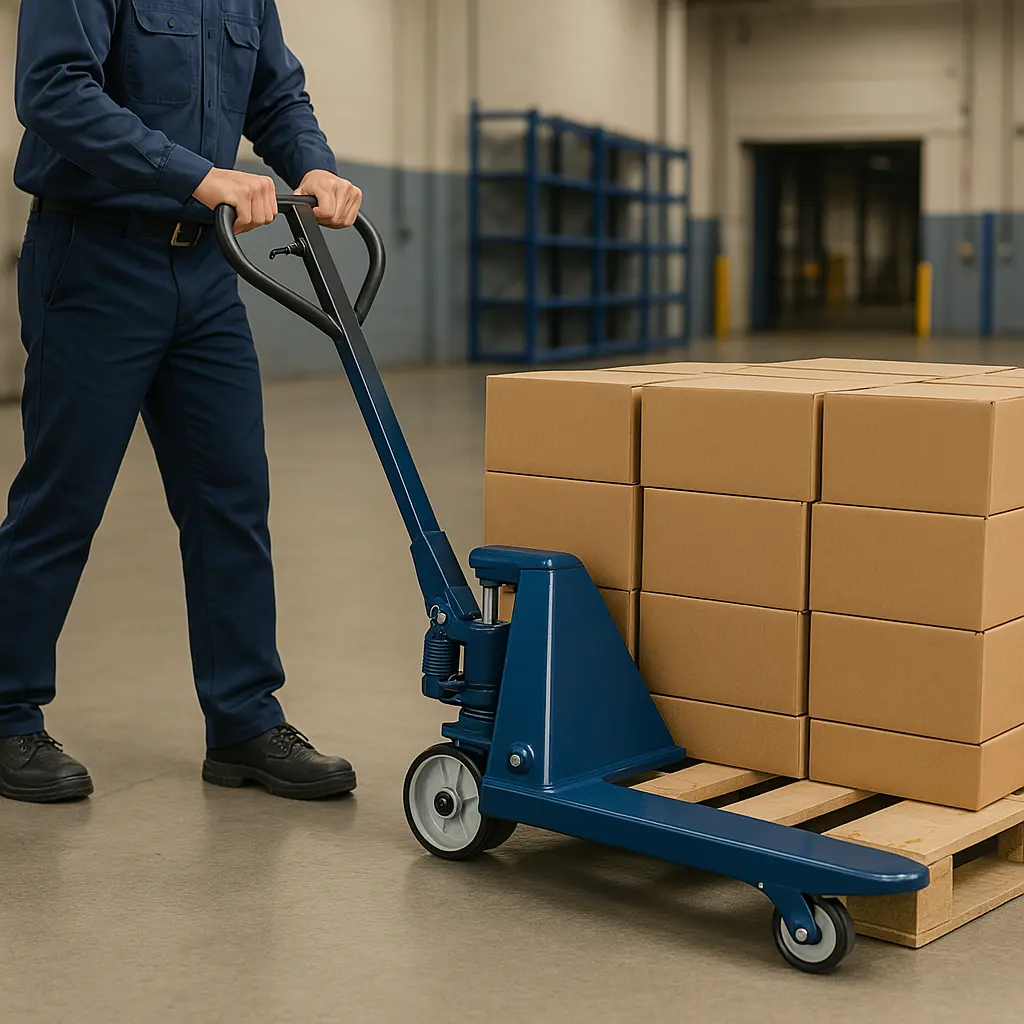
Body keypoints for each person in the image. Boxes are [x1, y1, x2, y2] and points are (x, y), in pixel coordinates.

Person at [0, 0, 362, 803]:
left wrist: (313, 163)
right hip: (94, 259)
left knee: (230, 494)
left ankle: (242, 721)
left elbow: (276, 95)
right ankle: (5, 712)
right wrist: (198, 176)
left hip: (204, 271)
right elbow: (54, 90)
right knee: (63, 500)